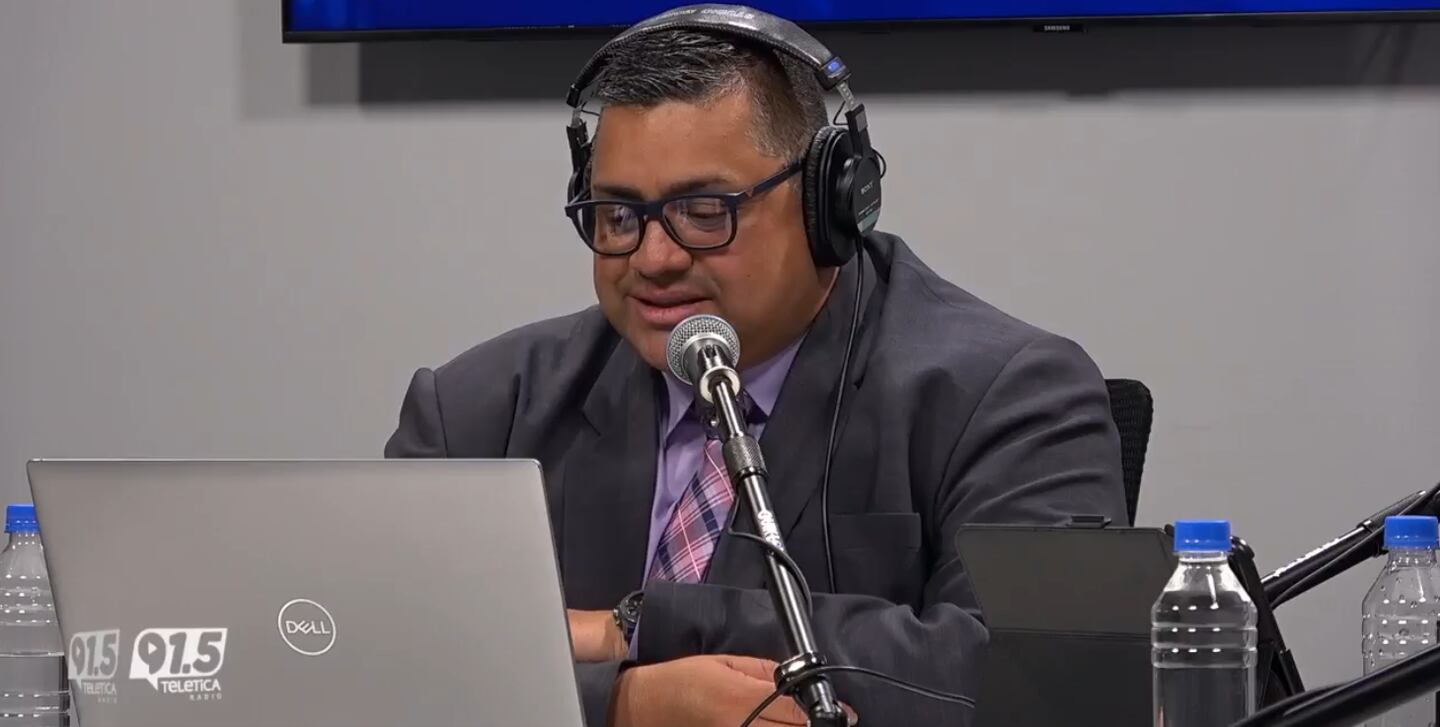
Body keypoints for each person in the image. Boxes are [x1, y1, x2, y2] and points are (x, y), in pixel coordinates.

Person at [385, 7, 1126, 726]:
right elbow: (381, 658)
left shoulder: (1011, 396)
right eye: (618, 215)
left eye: (705, 211)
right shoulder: (479, 412)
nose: (654, 258)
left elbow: (1049, 682)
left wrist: (642, 625)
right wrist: (619, 703)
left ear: (827, 203)